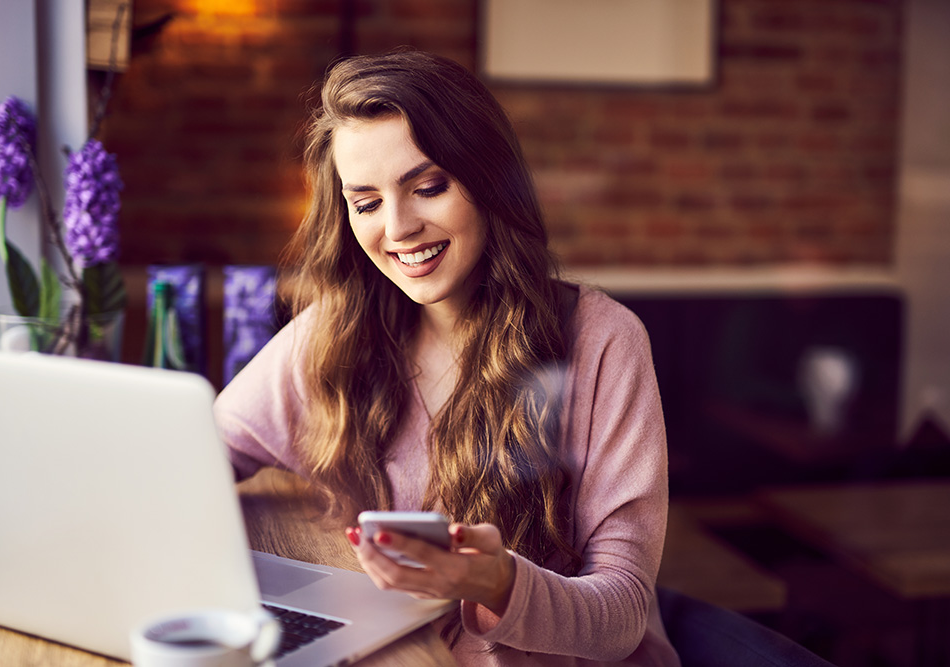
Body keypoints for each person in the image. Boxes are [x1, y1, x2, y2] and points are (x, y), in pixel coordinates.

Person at [213, 50, 680, 666]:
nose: (399, 227)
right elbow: (207, 446)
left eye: (427, 187)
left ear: (489, 181)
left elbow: (621, 616)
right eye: (367, 202)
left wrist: (497, 583)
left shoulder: (603, 340)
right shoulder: (339, 326)